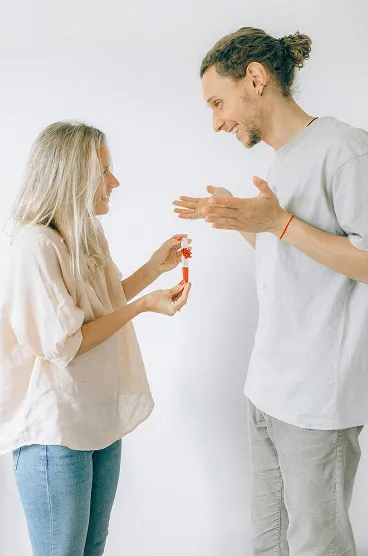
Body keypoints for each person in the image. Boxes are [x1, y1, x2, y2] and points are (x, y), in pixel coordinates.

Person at [173, 27, 368, 555]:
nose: (216, 122)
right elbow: (294, 266)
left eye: (218, 102)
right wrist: (243, 221)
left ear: (255, 78)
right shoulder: (283, 163)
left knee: (315, 546)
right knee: (268, 544)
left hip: (315, 403)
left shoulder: (345, 149)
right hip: (267, 391)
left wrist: (278, 222)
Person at [0, 120, 191, 556]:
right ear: (73, 176)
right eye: (105, 170)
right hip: (56, 431)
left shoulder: (87, 234)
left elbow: (102, 308)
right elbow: (64, 343)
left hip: (98, 422)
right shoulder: (35, 245)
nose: (115, 181)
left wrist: (152, 269)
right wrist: (144, 307)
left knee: (92, 548)